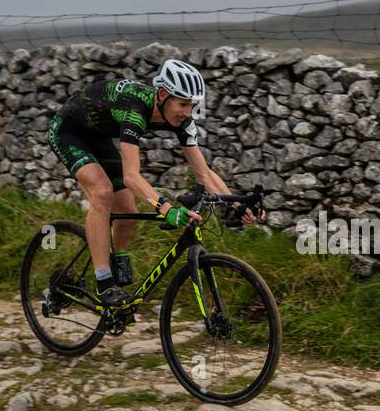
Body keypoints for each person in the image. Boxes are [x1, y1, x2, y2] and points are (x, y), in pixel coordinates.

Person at [46, 58, 264, 307]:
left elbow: (203, 173)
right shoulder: (135, 108)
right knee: (103, 192)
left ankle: (117, 260)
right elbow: (132, 176)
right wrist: (165, 208)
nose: (187, 113)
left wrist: (236, 204)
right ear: (162, 94)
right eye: (182, 104)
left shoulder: (183, 120)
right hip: (69, 132)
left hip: (100, 137)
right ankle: (104, 281)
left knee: (128, 211)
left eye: (192, 106)